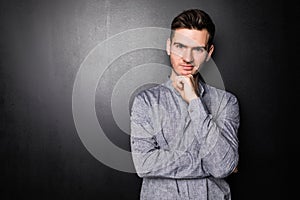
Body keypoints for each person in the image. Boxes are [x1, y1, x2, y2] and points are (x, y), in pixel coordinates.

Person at [130, 8, 240, 200]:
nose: (188, 58)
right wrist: (210, 163)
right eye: (180, 46)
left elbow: (222, 167)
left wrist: (195, 101)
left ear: (208, 53)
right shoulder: (145, 102)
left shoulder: (226, 103)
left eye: (198, 49)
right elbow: (144, 164)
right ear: (169, 46)